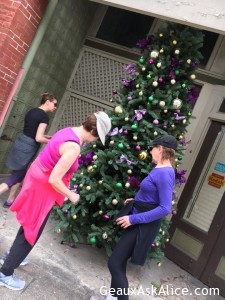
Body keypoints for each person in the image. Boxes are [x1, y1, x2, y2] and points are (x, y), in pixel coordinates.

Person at [0, 111, 111, 291]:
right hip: (43, 187)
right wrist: (71, 194)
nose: (96, 140)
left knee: (29, 224)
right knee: (32, 231)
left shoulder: (70, 130)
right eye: (97, 136)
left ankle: (12, 256)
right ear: (92, 130)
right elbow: (54, 179)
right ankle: (5, 273)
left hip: (37, 177)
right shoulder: (74, 147)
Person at [91, 134, 178, 300]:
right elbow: (152, 195)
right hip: (139, 217)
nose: (150, 150)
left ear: (160, 149)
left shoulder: (165, 173)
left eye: (153, 148)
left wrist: (132, 219)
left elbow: (165, 208)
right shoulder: (160, 169)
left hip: (142, 225)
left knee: (114, 263)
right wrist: (136, 200)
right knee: (119, 262)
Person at [0, 92, 58, 208]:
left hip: (21, 141)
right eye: (54, 104)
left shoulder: (31, 111)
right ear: (47, 102)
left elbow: (31, 131)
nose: (55, 107)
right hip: (28, 147)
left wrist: (47, 137)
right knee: (17, 175)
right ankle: (9, 197)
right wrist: (54, 141)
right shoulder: (44, 117)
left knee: (17, 173)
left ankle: (10, 199)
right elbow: (38, 138)